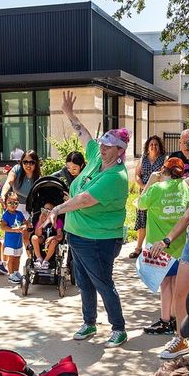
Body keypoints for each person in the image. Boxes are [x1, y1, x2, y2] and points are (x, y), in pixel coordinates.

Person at [49, 91, 131, 348]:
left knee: (103, 283)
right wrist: (69, 113)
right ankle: (89, 322)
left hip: (98, 239)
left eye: (108, 146)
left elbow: (84, 199)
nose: (102, 148)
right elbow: (84, 134)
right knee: (84, 282)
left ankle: (118, 328)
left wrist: (58, 209)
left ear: (120, 150)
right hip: (78, 234)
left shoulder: (116, 177)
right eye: (102, 144)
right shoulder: (97, 158)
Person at [144, 134, 189, 360]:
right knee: (180, 292)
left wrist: (166, 240)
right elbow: (182, 201)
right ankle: (180, 338)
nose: (188, 158)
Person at [137, 156, 189, 338]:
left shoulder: (157, 188)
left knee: (165, 284)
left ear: (163, 170)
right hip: (179, 244)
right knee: (174, 283)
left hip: (159, 246)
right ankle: (174, 318)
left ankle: (165, 321)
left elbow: (140, 204)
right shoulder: (184, 187)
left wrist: (150, 181)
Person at [129, 135, 168, 259]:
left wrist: (152, 186)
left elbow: (165, 176)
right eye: (151, 144)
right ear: (147, 146)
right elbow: (137, 175)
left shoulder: (164, 159)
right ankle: (138, 248)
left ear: (159, 146)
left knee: (155, 220)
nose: (153, 146)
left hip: (158, 193)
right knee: (142, 221)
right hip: (144, 192)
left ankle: (154, 248)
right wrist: (144, 186)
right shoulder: (143, 159)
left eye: (156, 144)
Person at [1, 149, 41, 215]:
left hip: (30, 209)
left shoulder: (39, 178)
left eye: (31, 162)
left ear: (36, 163)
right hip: (13, 206)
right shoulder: (17, 169)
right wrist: (3, 194)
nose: (28, 165)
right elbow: (9, 182)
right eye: (25, 162)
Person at [0, 192, 28, 284]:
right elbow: (3, 227)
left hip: (18, 242)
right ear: (6, 203)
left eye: (15, 203)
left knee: (17, 258)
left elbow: (25, 222)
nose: (13, 205)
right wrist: (14, 230)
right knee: (11, 259)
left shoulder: (19, 213)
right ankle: (11, 274)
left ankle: (16, 272)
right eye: (10, 203)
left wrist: (24, 226)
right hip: (10, 242)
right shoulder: (6, 215)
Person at [31, 200, 63, 270]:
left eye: (48, 210)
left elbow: (60, 236)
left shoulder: (58, 221)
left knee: (53, 241)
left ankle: (46, 260)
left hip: (53, 239)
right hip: (43, 238)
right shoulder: (41, 219)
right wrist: (40, 220)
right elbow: (38, 234)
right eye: (44, 210)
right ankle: (39, 258)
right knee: (34, 237)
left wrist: (52, 238)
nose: (45, 212)